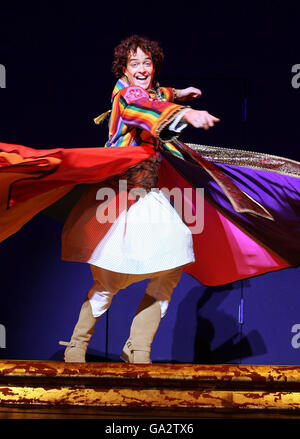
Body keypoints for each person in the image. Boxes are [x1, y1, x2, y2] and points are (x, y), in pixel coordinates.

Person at [59, 35, 220, 364]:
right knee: (108, 278)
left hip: (147, 196)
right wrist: (187, 113)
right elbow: (144, 106)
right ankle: (76, 347)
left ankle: (138, 347)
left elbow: (159, 95)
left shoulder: (152, 90)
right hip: (119, 195)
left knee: (173, 258)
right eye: (135, 64)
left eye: (148, 63)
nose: (143, 69)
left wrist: (180, 93)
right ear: (123, 69)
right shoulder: (127, 94)